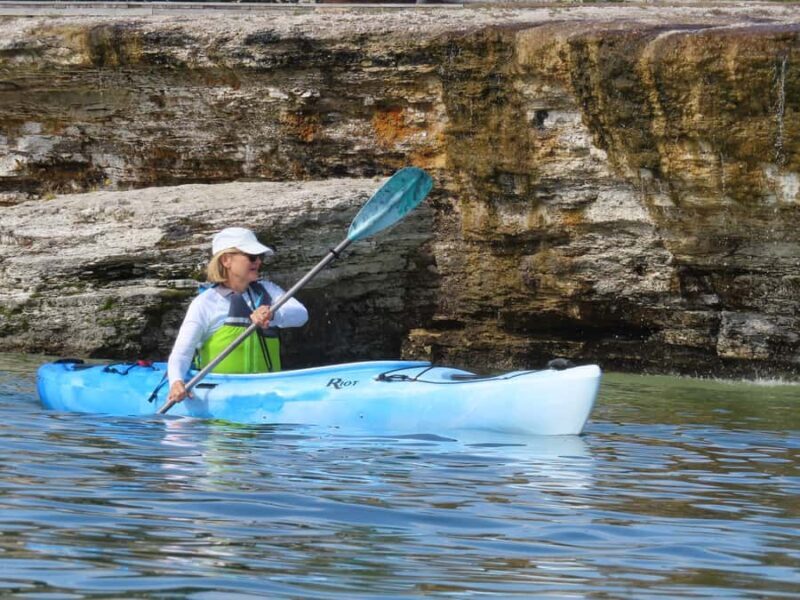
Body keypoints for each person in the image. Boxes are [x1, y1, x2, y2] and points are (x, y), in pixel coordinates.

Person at [166, 227, 308, 404]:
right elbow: (182, 353)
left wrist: (273, 315)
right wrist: (176, 381)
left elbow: (302, 315)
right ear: (226, 260)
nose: (258, 262)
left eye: (259, 257)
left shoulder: (268, 290)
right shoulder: (205, 303)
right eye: (251, 257)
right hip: (223, 393)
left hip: (269, 388)